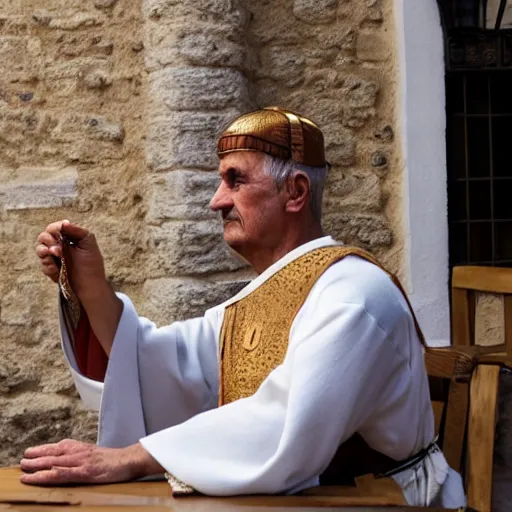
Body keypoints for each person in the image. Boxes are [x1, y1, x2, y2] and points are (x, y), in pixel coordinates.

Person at [27, 107, 465, 507]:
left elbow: (290, 424)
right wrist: (92, 289)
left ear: (295, 192)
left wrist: (132, 458)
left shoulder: (355, 297)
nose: (217, 200)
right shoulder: (270, 293)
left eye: (235, 180)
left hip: (384, 502)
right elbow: (162, 363)